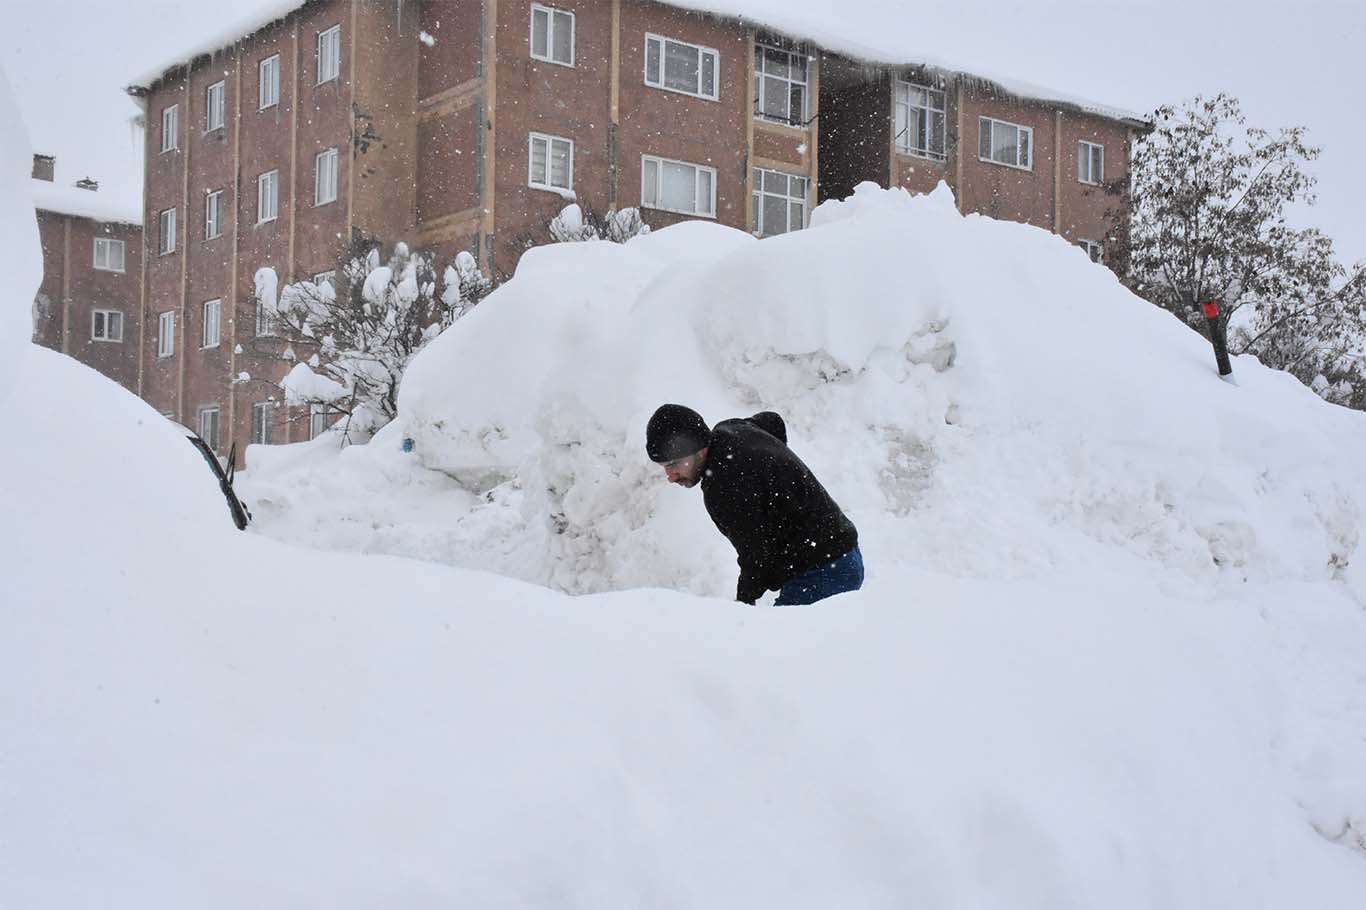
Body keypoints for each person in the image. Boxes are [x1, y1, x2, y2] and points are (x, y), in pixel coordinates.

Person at [646, 403, 863, 605]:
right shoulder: (730, 429)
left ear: (699, 448)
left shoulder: (724, 486)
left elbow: (757, 558)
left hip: (823, 573)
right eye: (663, 466)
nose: (670, 476)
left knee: (777, 644)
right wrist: (773, 480)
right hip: (843, 553)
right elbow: (772, 421)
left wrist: (743, 607)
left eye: (674, 464)